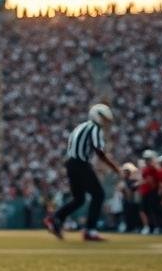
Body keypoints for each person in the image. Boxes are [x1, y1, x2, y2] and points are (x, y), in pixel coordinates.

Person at [44, 103, 121, 241]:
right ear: (97, 116)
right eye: (104, 118)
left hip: (71, 163)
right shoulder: (95, 128)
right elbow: (99, 152)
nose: (105, 122)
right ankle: (90, 230)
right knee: (98, 195)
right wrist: (115, 168)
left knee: (79, 199)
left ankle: (55, 218)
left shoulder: (79, 126)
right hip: (80, 163)